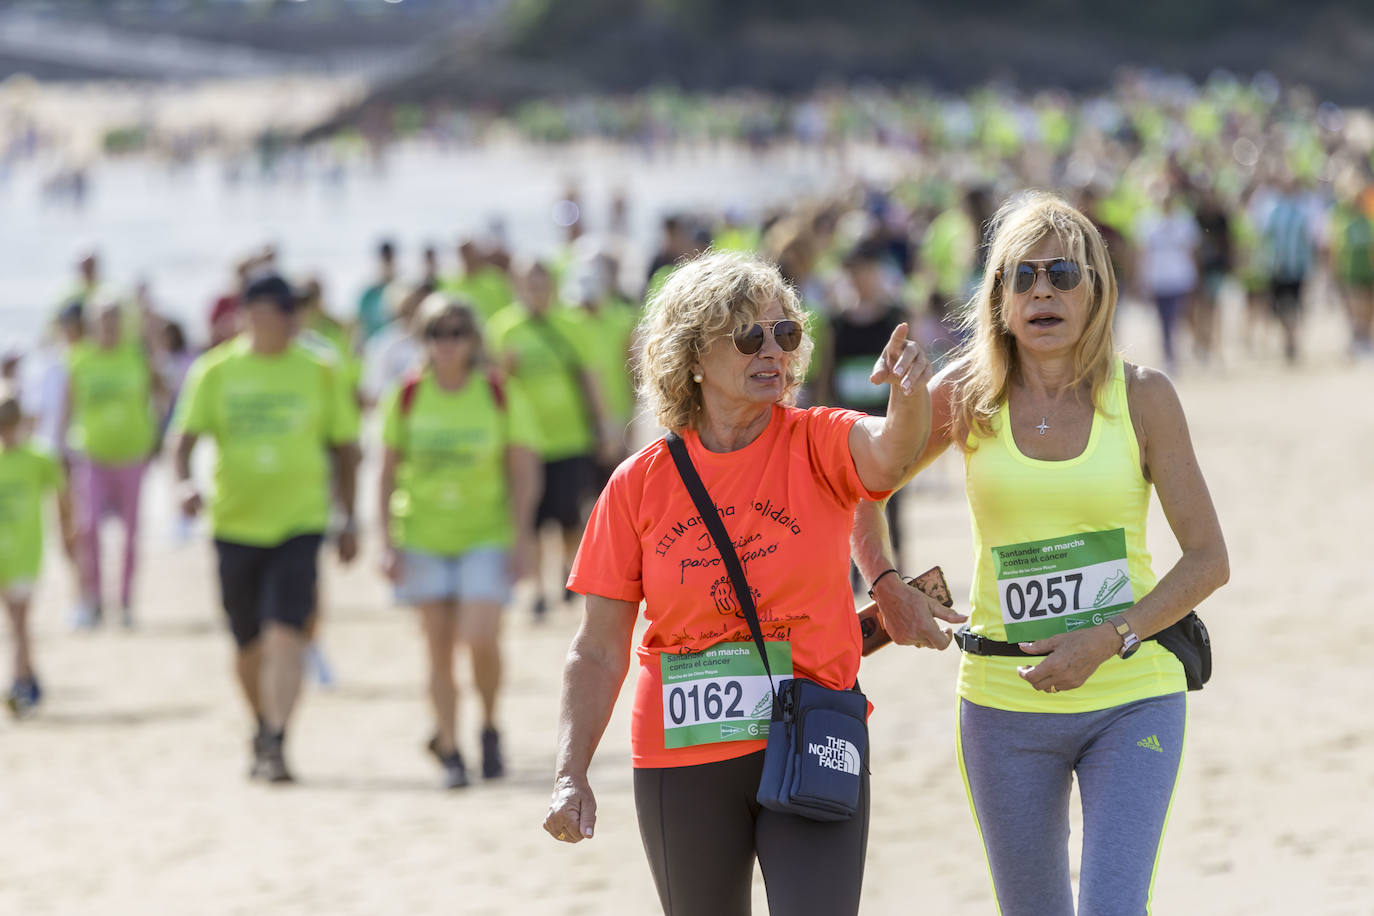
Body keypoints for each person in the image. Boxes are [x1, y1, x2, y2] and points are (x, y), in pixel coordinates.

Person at [853, 191, 1229, 916]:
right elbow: (858, 486)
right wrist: (887, 582)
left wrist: (1108, 635)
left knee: (1114, 907)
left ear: (1098, 287)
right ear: (997, 297)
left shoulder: (1144, 398)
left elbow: (1208, 558)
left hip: (1132, 690)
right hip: (1002, 701)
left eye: (1062, 273)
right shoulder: (965, 395)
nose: (1043, 291)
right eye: (1021, 277)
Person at [542, 251, 944, 916]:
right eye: (749, 337)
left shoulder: (820, 439)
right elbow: (598, 648)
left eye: (785, 334)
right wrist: (570, 772)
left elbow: (889, 453)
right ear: (693, 357)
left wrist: (905, 400)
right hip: (682, 754)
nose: (773, 353)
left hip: (813, 730)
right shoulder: (638, 484)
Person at [173, 274, 361, 783]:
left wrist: (348, 518)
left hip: (299, 523)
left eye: (294, 309)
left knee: (286, 635)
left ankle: (278, 738)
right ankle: (261, 723)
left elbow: (346, 448)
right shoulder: (215, 371)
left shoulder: (319, 369)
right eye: (283, 309)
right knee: (247, 645)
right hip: (234, 523)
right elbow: (183, 440)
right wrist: (183, 486)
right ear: (252, 312)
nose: (295, 319)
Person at [378, 296, 541, 788]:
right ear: (423, 340)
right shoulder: (407, 395)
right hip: (423, 535)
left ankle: (489, 724)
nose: (446, 344)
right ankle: (451, 748)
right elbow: (385, 473)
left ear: (472, 339)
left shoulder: (496, 391)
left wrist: (521, 536)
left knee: (480, 636)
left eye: (456, 333)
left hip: (485, 533)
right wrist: (384, 540)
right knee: (438, 648)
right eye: (435, 334)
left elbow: (523, 468)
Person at [488, 261, 611, 619]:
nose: (537, 294)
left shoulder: (572, 325)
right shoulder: (503, 328)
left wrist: (604, 426)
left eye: (543, 286)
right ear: (518, 287)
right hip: (526, 441)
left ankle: (567, 568)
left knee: (571, 517)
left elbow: (591, 378)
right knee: (533, 518)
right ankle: (539, 590)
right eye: (530, 286)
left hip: (570, 438)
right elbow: (493, 387)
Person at [63, 302, 161, 629]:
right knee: (88, 527)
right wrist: (62, 449)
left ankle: (126, 601)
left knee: (131, 531)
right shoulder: (81, 357)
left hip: (132, 454)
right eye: (102, 321)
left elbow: (160, 391)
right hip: (92, 454)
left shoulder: (137, 353)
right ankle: (92, 600)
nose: (108, 327)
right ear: (92, 324)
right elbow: (68, 405)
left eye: (114, 321)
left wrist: (156, 434)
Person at [0, 388, 75, 716]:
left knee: (19, 620)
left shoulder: (39, 457)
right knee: (14, 622)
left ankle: (18, 683)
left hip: (26, 552)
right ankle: (29, 678)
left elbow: (62, 499)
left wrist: (67, 536)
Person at [356, 239, 396, 347]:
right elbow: (360, 325)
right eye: (384, 257)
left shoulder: (405, 292)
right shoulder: (368, 294)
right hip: (373, 350)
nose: (387, 262)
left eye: (389, 257)